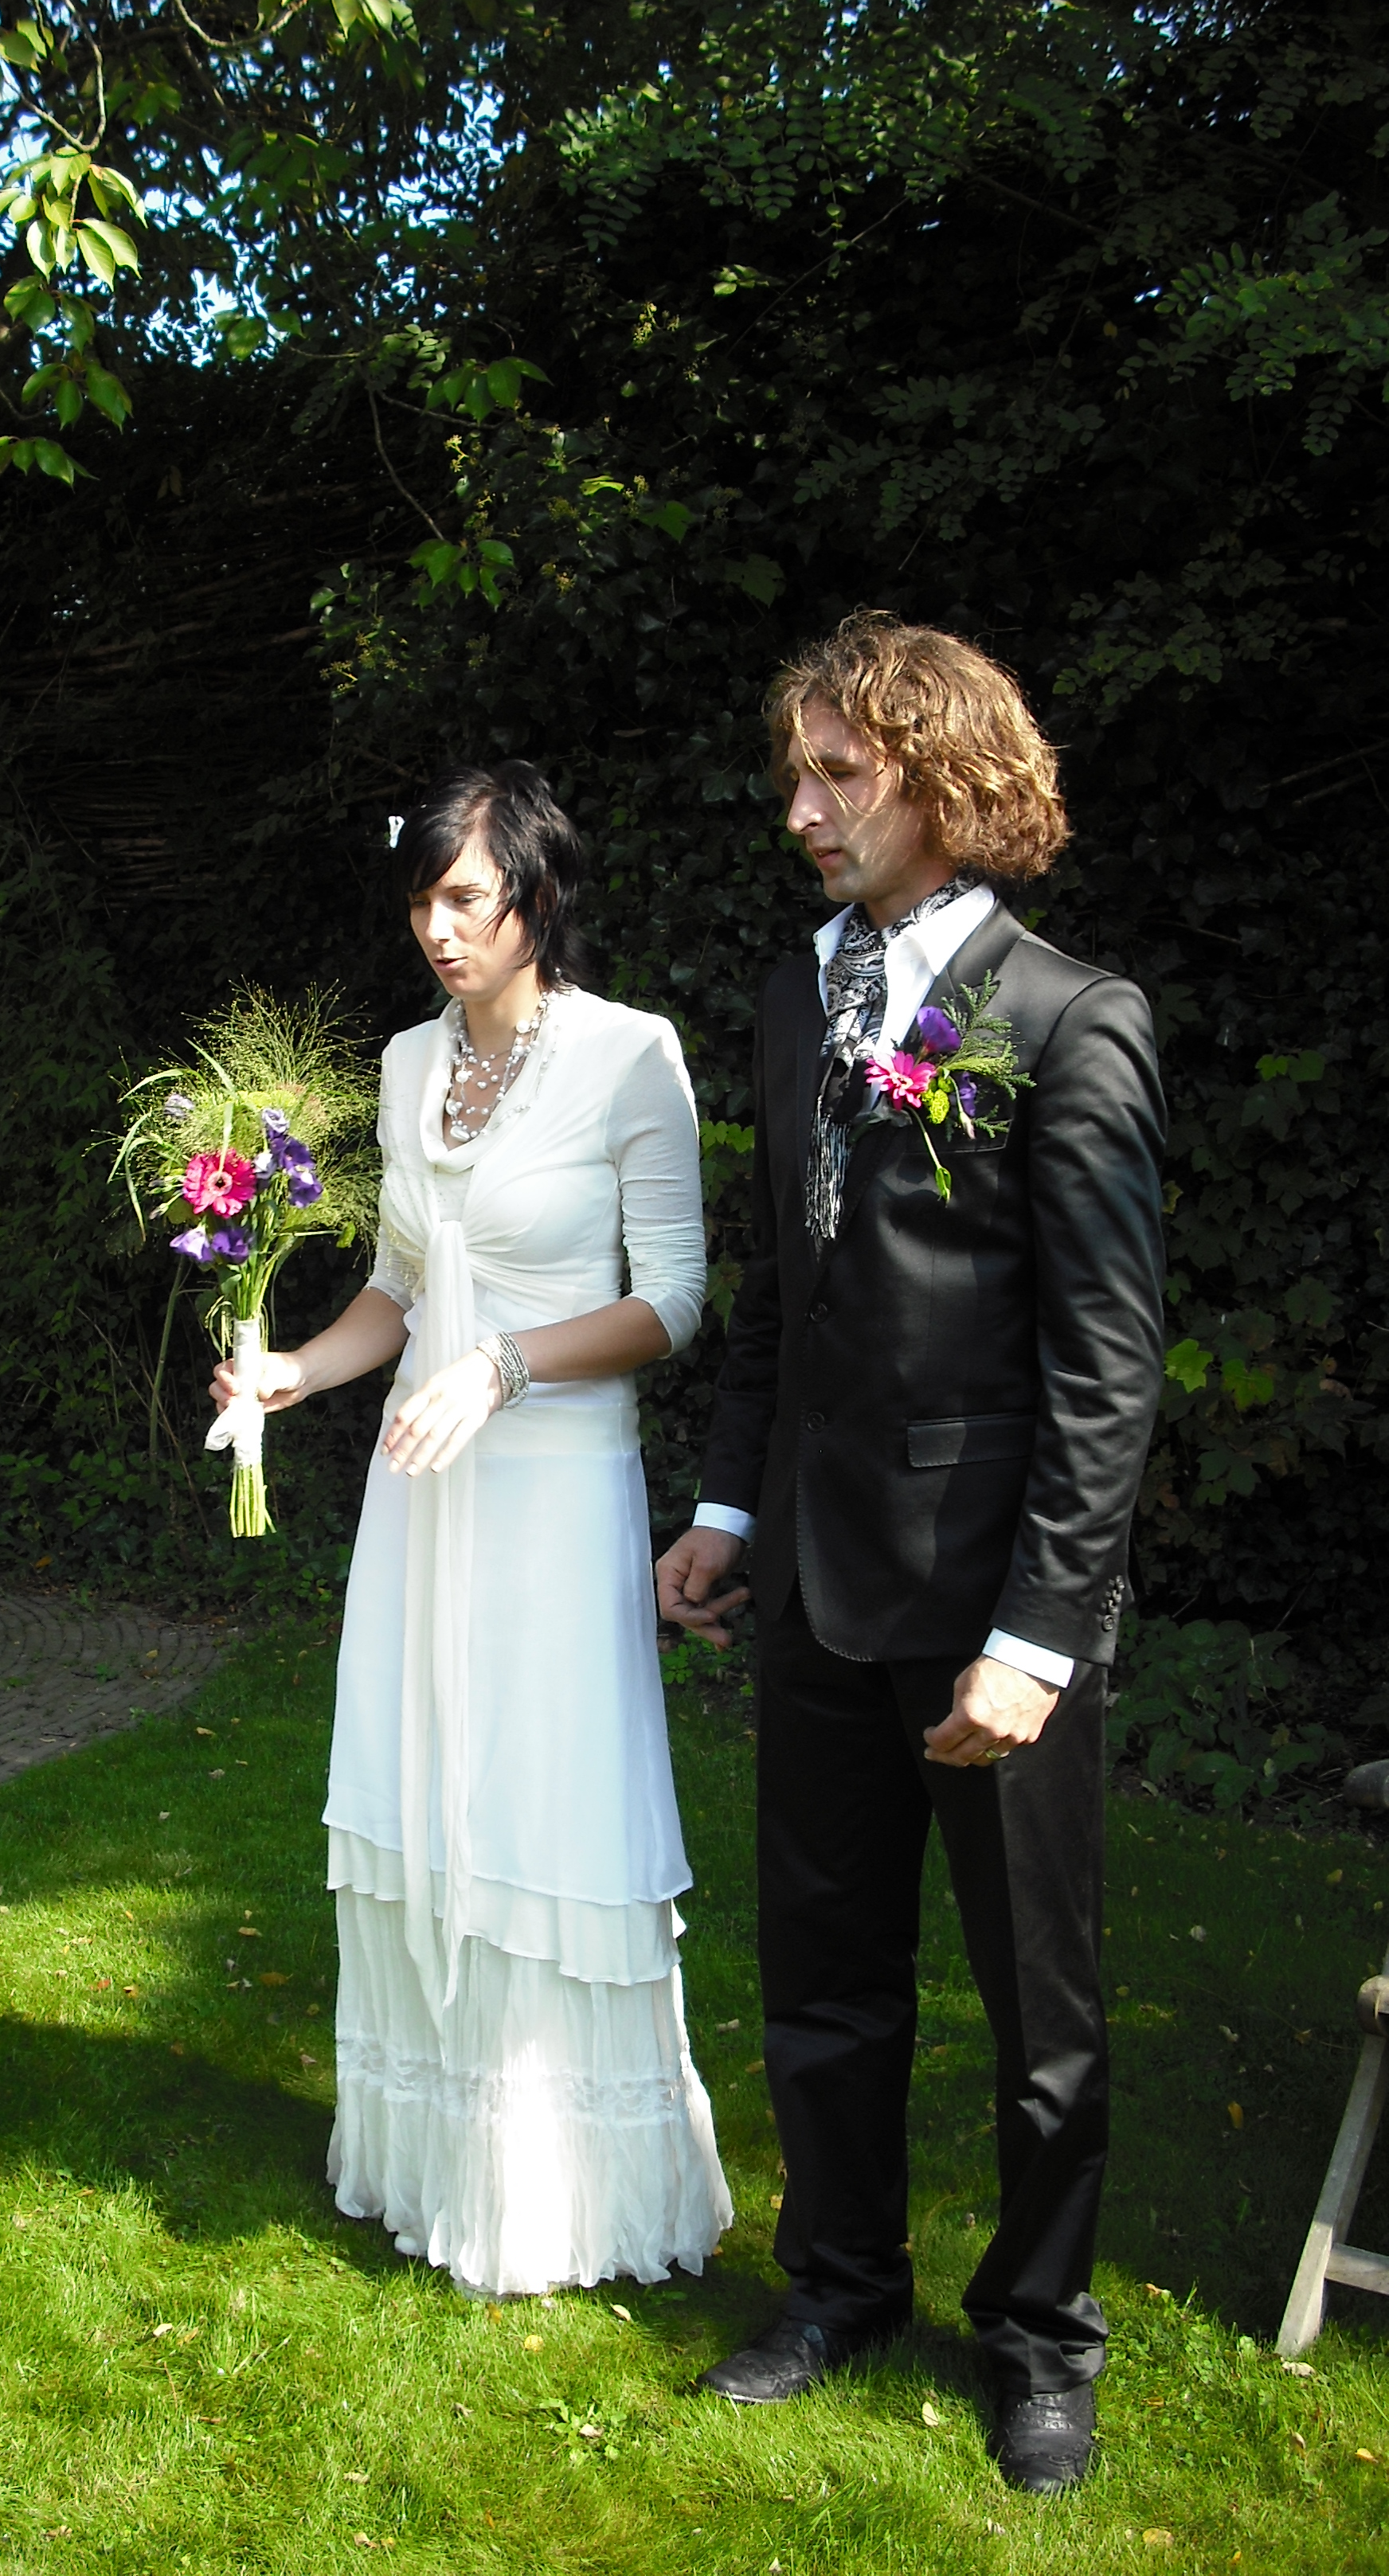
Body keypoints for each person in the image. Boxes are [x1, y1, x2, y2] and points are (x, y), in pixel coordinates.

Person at [655, 612, 1164, 2494]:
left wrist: (1039, 1637)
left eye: (838, 776)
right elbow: (782, 1299)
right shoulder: (798, 998)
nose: (801, 811)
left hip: (989, 1615)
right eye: (795, 776)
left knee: (1043, 2020)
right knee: (824, 1977)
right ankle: (842, 2288)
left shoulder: (1069, 1019)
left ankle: (1041, 2341)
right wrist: (726, 1513)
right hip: (812, 1581)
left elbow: (1105, 1368)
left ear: (943, 782)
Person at [213, 760, 731, 2297]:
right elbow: (400, 1283)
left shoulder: (633, 1056)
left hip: (555, 1489)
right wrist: (299, 1371)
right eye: (422, 901)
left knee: (539, 1805)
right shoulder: (403, 1064)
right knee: (423, 1783)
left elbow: (674, 1301)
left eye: (465, 898)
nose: (437, 929)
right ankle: (434, 2162)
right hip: (421, 1485)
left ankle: (560, 2190)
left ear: (536, 898)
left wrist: (506, 1364)